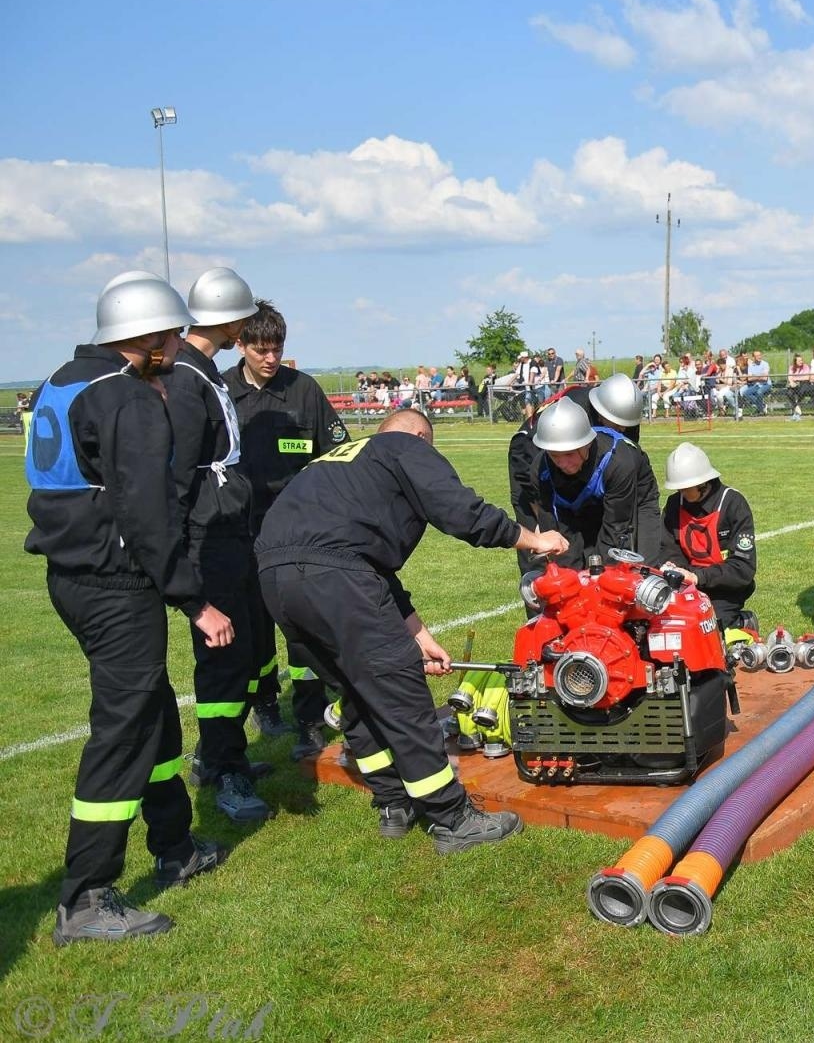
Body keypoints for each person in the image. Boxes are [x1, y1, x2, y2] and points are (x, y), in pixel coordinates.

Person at [27, 273, 233, 944]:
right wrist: (193, 599)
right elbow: (147, 511)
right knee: (120, 731)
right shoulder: (126, 396)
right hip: (115, 583)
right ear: (142, 337)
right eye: (169, 335)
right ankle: (86, 896)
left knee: (149, 710)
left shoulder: (62, 378)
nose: (176, 347)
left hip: (74, 575)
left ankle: (175, 844)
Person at [258, 409, 566, 849]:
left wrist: (420, 638)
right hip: (335, 577)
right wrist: (535, 539)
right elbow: (462, 511)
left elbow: (366, 566)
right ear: (422, 437)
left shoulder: (336, 462)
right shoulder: (405, 445)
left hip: (276, 579)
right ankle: (451, 818)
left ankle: (392, 801)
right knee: (401, 693)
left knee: (356, 689)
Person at [223, 299, 349, 758]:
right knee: (254, 629)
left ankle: (311, 717)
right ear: (240, 346)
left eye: (277, 348)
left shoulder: (304, 391)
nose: (271, 358)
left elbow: (338, 455)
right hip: (240, 531)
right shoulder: (220, 393)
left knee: (304, 628)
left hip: (298, 534)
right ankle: (264, 704)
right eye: (260, 349)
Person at [168, 268, 268, 821]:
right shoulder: (186, 377)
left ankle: (228, 752)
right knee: (224, 659)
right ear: (229, 319)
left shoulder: (200, 369)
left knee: (247, 649)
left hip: (230, 528)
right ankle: (221, 769)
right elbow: (180, 473)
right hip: (208, 534)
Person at [510, 397, 656, 568]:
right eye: (555, 455)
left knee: (642, 564)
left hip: (634, 494)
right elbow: (555, 530)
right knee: (568, 568)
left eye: (569, 454)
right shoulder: (540, 468)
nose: (563, 464)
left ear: (586, 444)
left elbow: (616, 527)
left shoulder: (618, 462)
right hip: (576, 501)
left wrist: (599, 574)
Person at [660, 443, 757, 626]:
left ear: (702, 483)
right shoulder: (674, 505)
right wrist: (681, 575)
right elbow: (669, 550)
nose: (681, 492)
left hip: (725, 587)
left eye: (686, 487)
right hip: (686, 586)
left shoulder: (733, 504)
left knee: (707, 626)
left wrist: (698, 577)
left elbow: (743, 568)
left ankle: (743, 622)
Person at [744, 349, 773, 415]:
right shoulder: (751, 366)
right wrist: (759, 376)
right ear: (753, 357)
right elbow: (749, 379)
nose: (759, 357)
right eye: (757, 356)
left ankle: (760, 410)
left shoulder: (765, 364)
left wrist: (755, 376)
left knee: (759, 392)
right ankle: (761, 406)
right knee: (746, 393)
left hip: (766, 384)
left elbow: (765, 378)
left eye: (760, 355)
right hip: (756, 385)